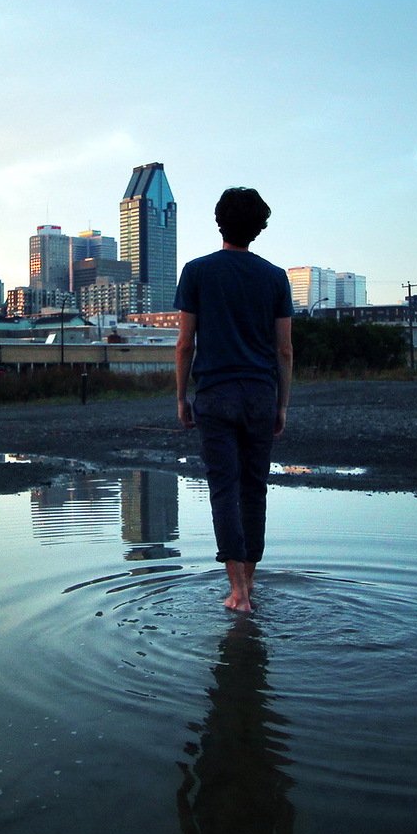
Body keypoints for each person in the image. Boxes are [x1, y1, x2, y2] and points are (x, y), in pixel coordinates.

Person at [174, 187, 295, 612]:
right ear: (257, 228)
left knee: (224, 489)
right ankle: (250, 584)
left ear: (219, 222)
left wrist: (181, 397)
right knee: (254, 489)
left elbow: (185, 343)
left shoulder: (196, 272)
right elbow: (284, 350)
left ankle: (237, 593)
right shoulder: (276, 277)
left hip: (214, 395)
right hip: (261, 395)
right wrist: (282, 403)